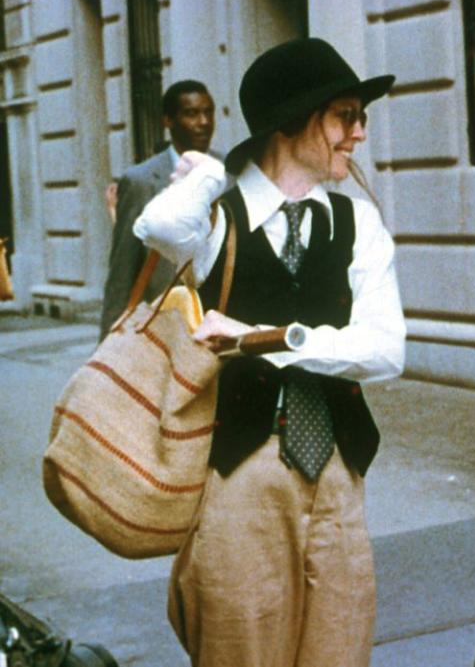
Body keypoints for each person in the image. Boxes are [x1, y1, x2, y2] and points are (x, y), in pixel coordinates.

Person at [134, 38, 405, 667]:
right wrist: (207, 170)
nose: (358, 134)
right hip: (236, 475)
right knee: (239, 651)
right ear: (292, 121)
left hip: (339, 471)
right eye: (345, 116)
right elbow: (157, 228)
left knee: (340, 653)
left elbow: (387, 349)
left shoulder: (355, 222)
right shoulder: (219, 219)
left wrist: (278, 341)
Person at [99, 80, 216, 338]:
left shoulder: (229, 174)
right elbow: (122, 271)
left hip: (219, 325)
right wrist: (107, 346)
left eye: (208, 112)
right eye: (192, 113)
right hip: (163, 327)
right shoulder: (140, 181)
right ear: (168, 120)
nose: (204, 121)